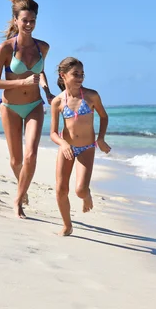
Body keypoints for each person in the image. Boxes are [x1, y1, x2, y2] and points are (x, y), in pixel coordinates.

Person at [0, 0, 55, 219]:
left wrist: (47, 91)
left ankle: (18, 200)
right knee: (16, 160)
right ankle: (22, 187)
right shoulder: (6, 49)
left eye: (32, 21)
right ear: (16, 20)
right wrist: (23, 81)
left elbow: (41, 70)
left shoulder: (42, 47)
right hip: (10, 108)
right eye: (25, 20)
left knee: (31, 156)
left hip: (34, 106)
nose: (29, 24)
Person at [49, 57, 111, 236]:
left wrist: (100, 138)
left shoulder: (91, 95)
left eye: (82, 74)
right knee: (61, 189)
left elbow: (104, 116)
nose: (80, 78)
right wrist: (63, 143)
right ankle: (67, 225)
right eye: (75, 74)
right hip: (66, 148)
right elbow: (53, 133)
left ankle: (87, 195)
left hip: (86, 148)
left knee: (80, 190)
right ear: (63, 75)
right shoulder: (58, 102)